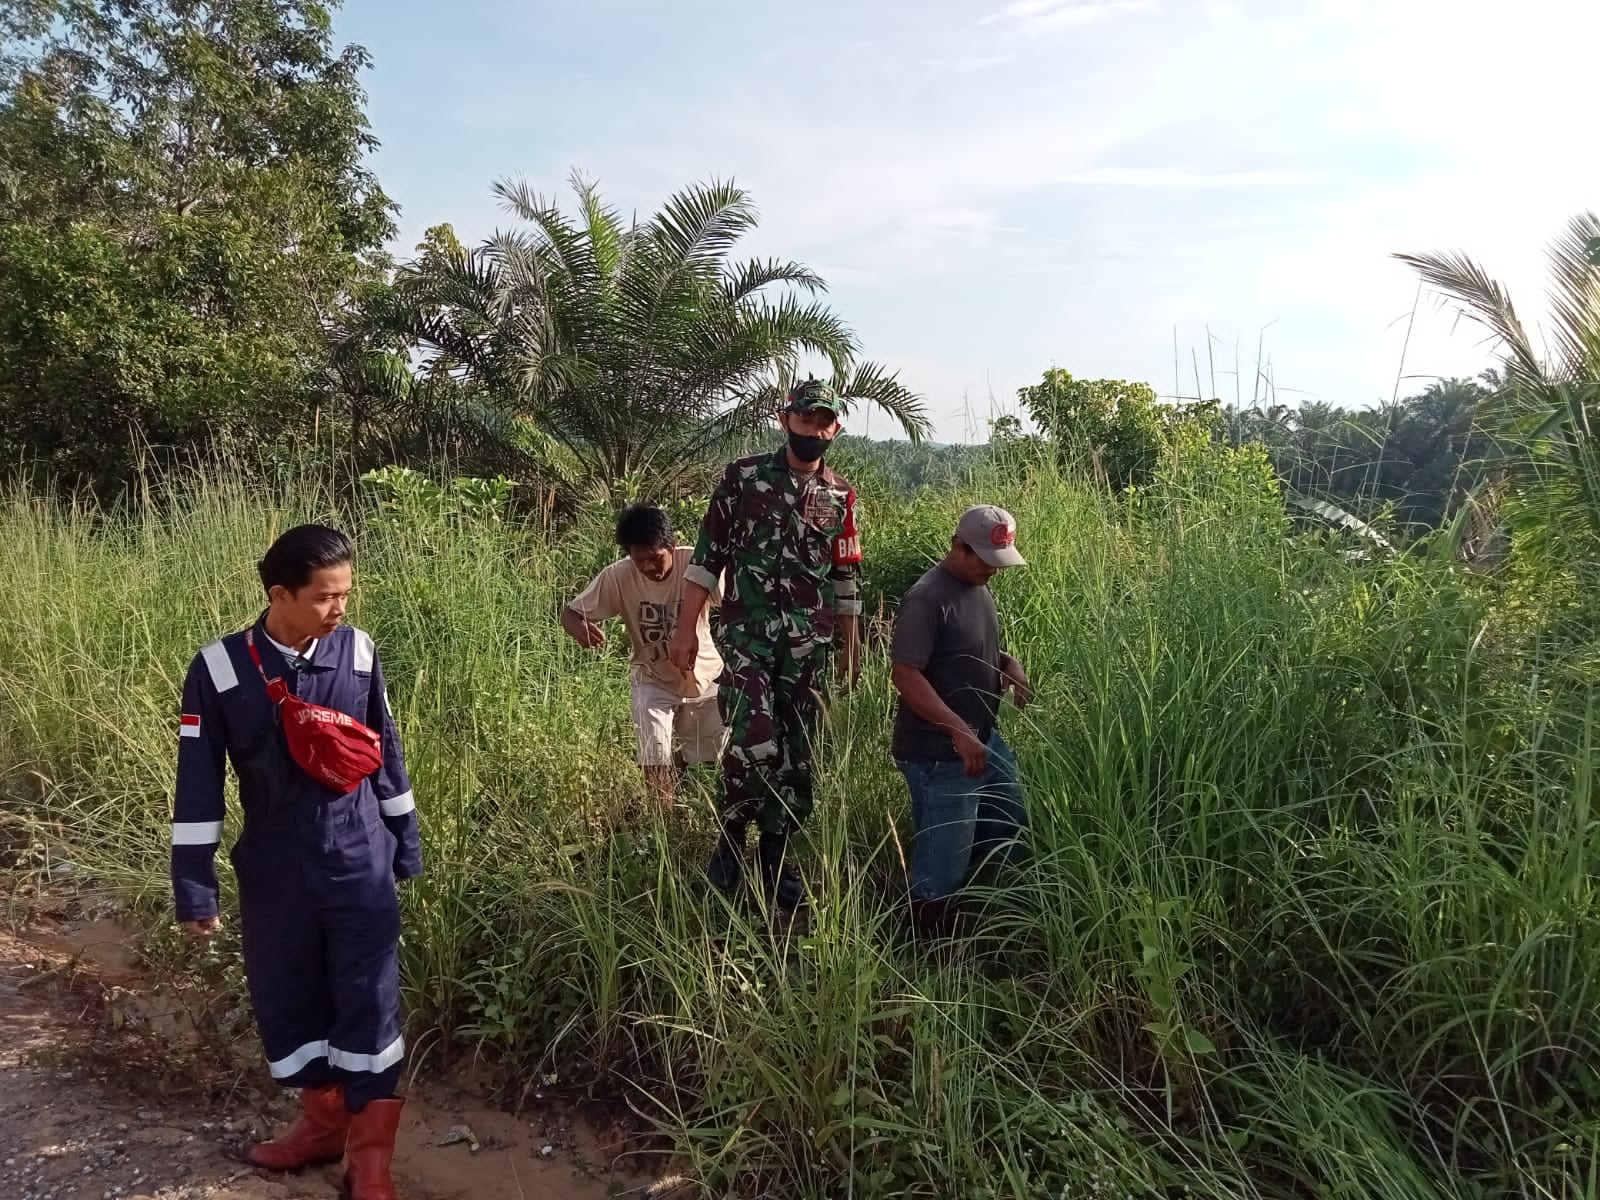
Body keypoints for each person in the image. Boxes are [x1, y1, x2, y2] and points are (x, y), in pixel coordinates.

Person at [171, 524, 421, 1200]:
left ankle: (370, 1162)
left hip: (357, 854)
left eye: (345, 593)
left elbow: (386, 755)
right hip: (276, 864)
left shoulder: (359, 653)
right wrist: (195, 887)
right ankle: (323, 1124)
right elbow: (197, 784)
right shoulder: (220, 669)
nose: (340, 608)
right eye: (324, 597)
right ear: (279, 594)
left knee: (369, 998)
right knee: (288, 996)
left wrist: (406, 842)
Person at [668, 378, 863, 912]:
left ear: (836, 427)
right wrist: (686, 630)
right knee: (756, 742)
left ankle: (775, 859)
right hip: (748, 634)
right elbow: (707, 558)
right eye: (806, 420)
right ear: (785, 419)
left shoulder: (840, 495)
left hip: (808, 644)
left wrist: (850, 646)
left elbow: (845, 576)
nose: (814, 430)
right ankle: (731, 842)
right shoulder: (743, 478)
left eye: (825, 422)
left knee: (798, 756)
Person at [889, 505, 1031, 939]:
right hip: (939, 753)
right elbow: (906, 674)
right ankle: (928, 945)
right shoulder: (927, 598)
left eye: (998, 561)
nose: (993, 570)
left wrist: (1011, 665)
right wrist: (957, 730)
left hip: (982, 739)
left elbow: (975, 651)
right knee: (944, 859)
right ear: (958, 547)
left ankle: (993, 915)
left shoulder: (978, 588)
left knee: (1009, 822)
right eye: (985, 559)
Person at [561, 504, 727, 808]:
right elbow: (570, 613)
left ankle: (682, 783)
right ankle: (661, 822)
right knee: (654, 752)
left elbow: (737, 604)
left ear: (672, 547)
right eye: (640, 561)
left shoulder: (697, 563)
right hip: (652, 677)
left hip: (703, 675)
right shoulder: (618, 575)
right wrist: (580, 628)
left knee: (708, 756)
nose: (649, 567)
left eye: (655, 558)